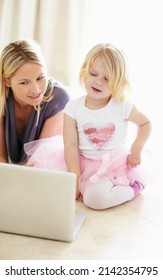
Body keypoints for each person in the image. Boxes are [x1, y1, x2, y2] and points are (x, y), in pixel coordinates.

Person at [63, 43, 152, 210]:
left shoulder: (122, 105)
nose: (98, 82)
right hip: (80, 162)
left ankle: (133, 188)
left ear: (119, 82)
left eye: (107, 79)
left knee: (95, 200)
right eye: (93, 74)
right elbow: (70, 144)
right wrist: (75, 175)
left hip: (113, 165)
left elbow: (146, 123)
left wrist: (136, 149)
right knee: (55, 188)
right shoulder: (73, 107)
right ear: (84, 71)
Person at [0, 39, 69, 165]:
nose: (36, 90)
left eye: (40, 78)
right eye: (24, 82)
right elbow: (1, 159)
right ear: (7, 81)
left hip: (41, 168)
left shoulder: (59, 98)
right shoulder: (2, 98)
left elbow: (39, 161)